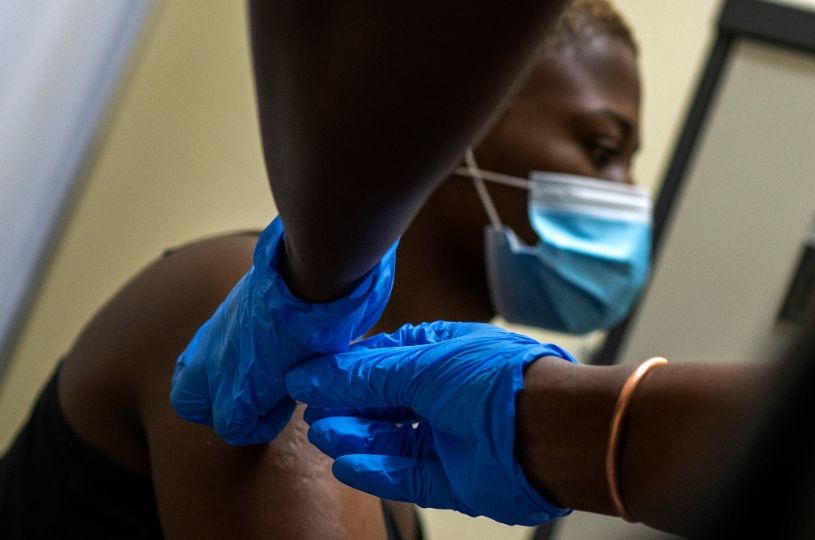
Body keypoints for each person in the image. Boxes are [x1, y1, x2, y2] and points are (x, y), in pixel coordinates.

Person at [284, 0, 815, 535]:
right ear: (450, 122)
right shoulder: (283, 368)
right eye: (603, 148)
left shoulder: (369, 430)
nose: (629, 196)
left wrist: (570, 425)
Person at [0, 0, 652, 537]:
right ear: (461, 118)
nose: (629, 195)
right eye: (600, 148)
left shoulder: (385, 454)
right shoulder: (240, 323)